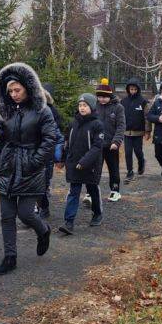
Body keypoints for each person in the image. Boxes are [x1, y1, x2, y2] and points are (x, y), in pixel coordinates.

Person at [0, 63, 56, 276]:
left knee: (25, 214)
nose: (14, 94)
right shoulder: (6, 112)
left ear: (27, 87)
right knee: (7, 216)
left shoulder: (42, 111)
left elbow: (50, 139)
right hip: (7, 167)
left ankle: (43, 231)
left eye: (17, 90)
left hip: (30, 169)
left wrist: (33, 162)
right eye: (10, 91)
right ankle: (10, 257)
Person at [59, 93, 105, 235]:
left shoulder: (97, 124)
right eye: (80, 105)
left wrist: (85, 162)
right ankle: (69, 222)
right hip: (74, 164)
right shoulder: (73, 123)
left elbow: (97, 147)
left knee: (92, 190)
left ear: (91, 107)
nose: (82, 108)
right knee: (74, 192)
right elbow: (67, 142)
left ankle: (97, 213)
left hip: (90, 165)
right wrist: (62, 158)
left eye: (85, 105)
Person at [37, 83, 66, 221]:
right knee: (34, 183)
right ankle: (37, 207)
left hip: (46, 154)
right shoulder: (30, 110)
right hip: (32, 154)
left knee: (43, 181)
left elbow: (58, 136)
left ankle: (43, 206)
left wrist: (58, 156)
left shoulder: (51, 113)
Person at [93, 79, 125, 201]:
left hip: (111, 144)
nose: (102, 99)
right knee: (95, 168)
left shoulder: (118, 108)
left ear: (110, 96)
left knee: (113, 168)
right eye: (99, 97)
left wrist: (116, 141)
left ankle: (115, 190)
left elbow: (121, 126)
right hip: (97, 144)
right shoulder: (95, 106)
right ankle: (92, 191)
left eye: (104, 97)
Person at [121, 78, 150, 182]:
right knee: (128, 152)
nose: (132, 91)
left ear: (138, 89)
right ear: (128, 89)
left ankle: (141, 162)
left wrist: (147, 131)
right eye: (131, 89)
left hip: (138, 132)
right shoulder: (123, 101)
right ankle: (129, 171)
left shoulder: (143, 101)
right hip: (126, 132)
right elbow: (120, 117)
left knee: (138, 151)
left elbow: (147, 117)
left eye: (134, 89)